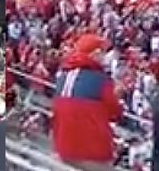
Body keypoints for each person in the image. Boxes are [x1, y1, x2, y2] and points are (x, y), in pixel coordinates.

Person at [52, 34, 122, 170]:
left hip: (62, 147)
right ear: (95, 53)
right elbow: (115, 113)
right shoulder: (101, 80)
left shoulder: (63, 75)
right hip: (91, 152)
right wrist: (117, 96)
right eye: (102, 51)